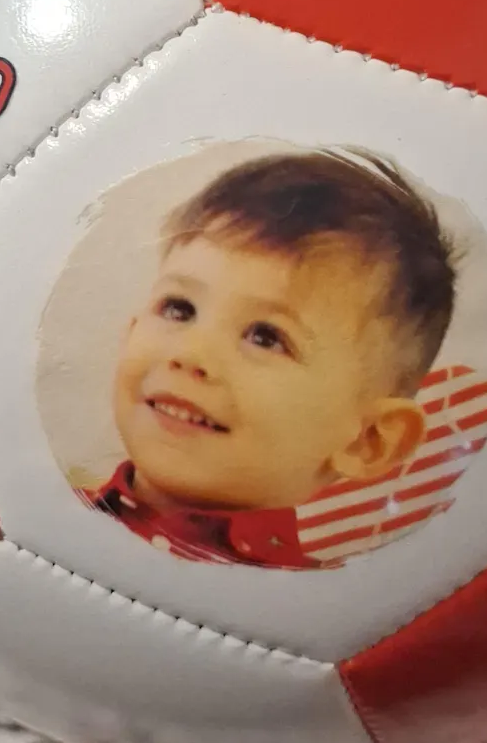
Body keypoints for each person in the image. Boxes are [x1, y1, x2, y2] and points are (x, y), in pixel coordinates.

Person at [78, 148, 457, 568]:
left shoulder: (310, 601)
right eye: (179, 309)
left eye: (265, 337)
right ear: (130, 330)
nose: (189, 353)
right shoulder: (47, 510)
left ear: (365, 440)